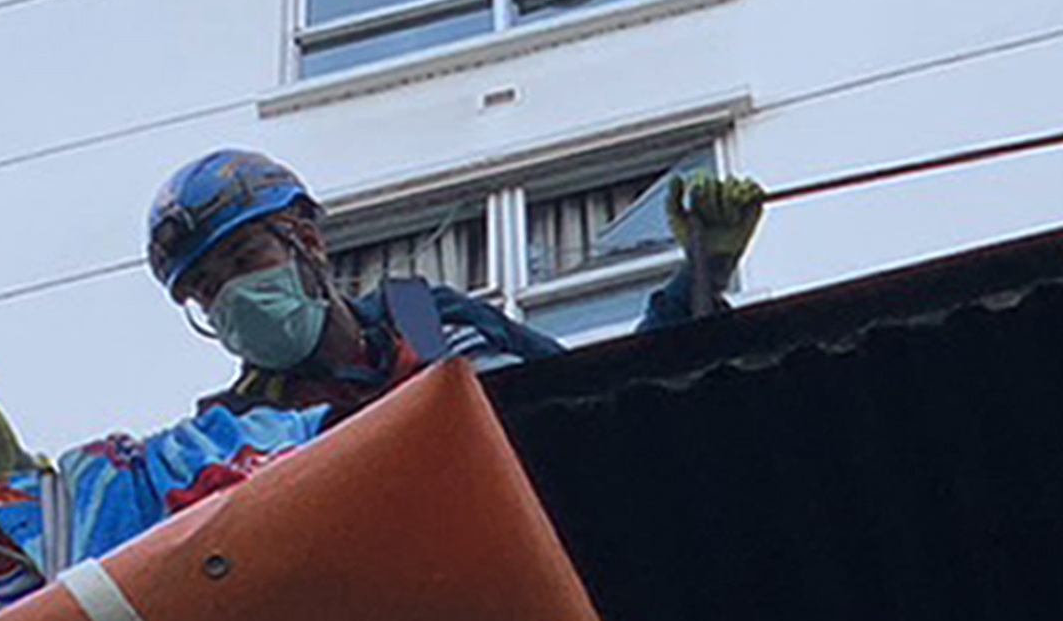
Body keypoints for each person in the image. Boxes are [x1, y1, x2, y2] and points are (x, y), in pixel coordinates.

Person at [139, 147, 773, 418]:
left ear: (308, 242)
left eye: (245, 260)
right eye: (205, 289)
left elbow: (599, 398)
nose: (229, 297)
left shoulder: (422, 317)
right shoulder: (239, 425)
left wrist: (701, 275)